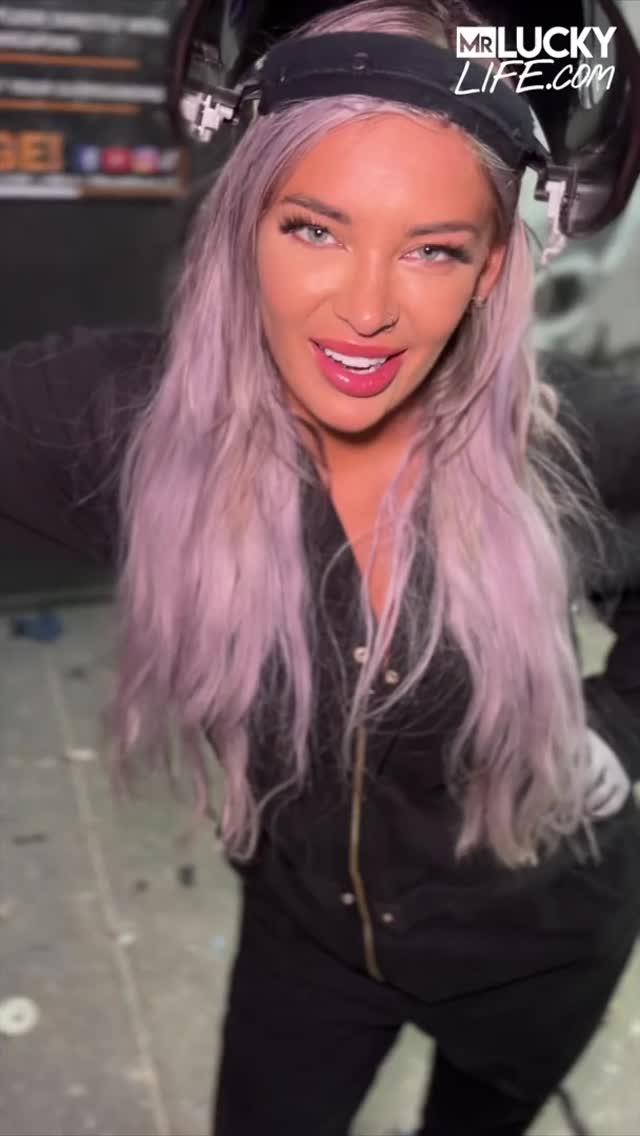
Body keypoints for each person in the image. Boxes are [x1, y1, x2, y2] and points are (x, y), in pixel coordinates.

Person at [1, 2, 640, 1134]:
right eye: (314, 229)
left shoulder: (583, 436)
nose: (366, 310)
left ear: (491, 266)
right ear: (242, 223)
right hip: (307, 939)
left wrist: (624, 725)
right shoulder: (134, 421)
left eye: (433, 247)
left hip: (536, 941)